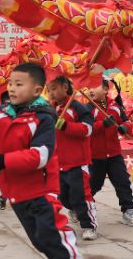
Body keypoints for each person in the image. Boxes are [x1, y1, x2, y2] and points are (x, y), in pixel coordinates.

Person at [0, 63, 80, 259]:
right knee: (40, 241)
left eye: (19, 84)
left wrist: (5, 160)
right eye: (10, 83)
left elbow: (40, 156)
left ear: (37, 90)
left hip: (41, 191)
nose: (12, 88)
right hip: (14, 191)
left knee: (53, 237)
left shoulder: (43, 118)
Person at [47, 76, 98, 241]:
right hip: (58, 163)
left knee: (81, 196)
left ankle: (88, 226)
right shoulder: (50, 109)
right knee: (64, 197)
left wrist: (64, 125)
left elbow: (88, 129)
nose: (51, 93)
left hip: (77, 162)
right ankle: (76, 210)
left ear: (64, 87)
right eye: (48, 90)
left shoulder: (77, 107)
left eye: (54, 89)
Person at [88, 79, 133, 227]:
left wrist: (125, 127)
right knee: (93, 185)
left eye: (94, 86)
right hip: (95, 156)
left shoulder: (115, 106)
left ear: (106, 90)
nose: (90, 90)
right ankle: (78, 207)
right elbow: (86, 129)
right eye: (88, 87)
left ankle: (129, 211)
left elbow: (127, 121)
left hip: (114, 154)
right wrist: (101, 125)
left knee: (123, 182)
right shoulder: (87, 109)